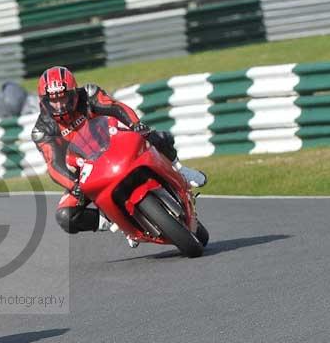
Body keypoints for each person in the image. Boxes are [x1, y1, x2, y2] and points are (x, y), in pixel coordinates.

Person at [31, 66, 207, 247]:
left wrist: (136, 124)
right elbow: (53, 163)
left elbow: (116, 107)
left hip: (116, 145)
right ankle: (115, 221)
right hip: (86, 172)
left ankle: (180, 170)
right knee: (65, 216)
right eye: (54, 100)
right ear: (44, 102)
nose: (59, 105)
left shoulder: (89, 94)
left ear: (73, 92)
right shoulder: (42, 130)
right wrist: (73, 185)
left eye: (63, 97)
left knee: (158, 136)